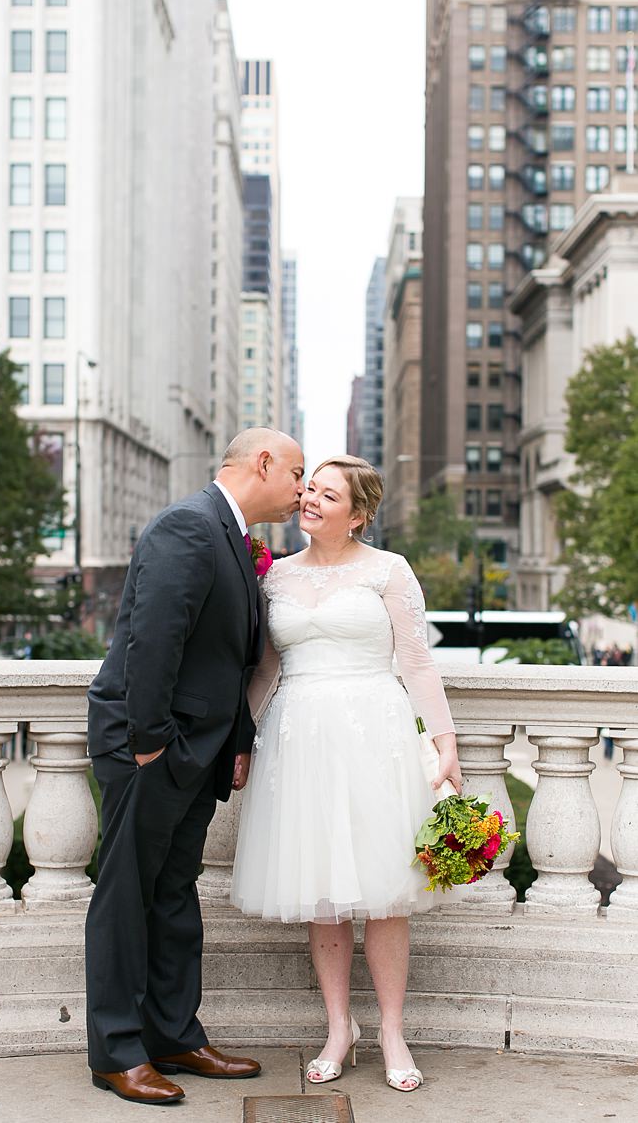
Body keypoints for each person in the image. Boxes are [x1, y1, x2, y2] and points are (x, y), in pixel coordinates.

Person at [84, 427, 305, 1106]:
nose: (300, 489)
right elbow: (153, 640)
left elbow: (227, 660)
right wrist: (150, 741)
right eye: (296, 473)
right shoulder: (187, 525)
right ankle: (118, 1051)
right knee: (126, 896)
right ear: (262, 463)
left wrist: (234, 740)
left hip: (193, 753)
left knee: (173, 895)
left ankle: (175, 1034)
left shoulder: (228, 535)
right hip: (150, 748)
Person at [230, 455, 464, 1094]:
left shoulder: (389, 570)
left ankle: (391, 1029)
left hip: (375, 736)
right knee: (323, 894)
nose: (308, 500)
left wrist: (445, 742)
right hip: (298, 741)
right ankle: (339, 1027)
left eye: (326, 495)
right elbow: (266, 670)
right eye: (308, 490)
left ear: (357, 514)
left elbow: (416, 660)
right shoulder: (274, 577)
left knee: (386, 895)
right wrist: (240, 740)